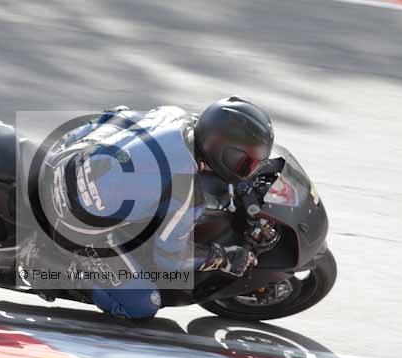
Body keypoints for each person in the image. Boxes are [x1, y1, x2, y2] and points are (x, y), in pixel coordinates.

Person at [35, 96, 275, 319]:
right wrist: (223, 258)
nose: (250, 169)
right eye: (247, 163)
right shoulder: (185, 191)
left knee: (122, 120)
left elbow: (116, 116)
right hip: (71, 226)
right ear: (226, 154)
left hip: (59, 159)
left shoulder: (172, 114)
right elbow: (169, 260)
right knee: (144, 304)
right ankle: (52, 269)